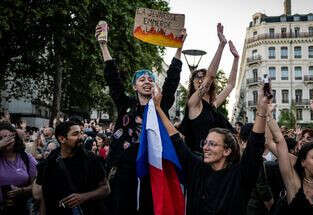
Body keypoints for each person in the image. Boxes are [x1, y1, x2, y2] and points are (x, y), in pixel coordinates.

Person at [95, 22, 186, 215]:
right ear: (135, 87)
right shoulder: (125, 103)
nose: (147, 82)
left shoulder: (161, 106)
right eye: (142, 80)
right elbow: (113, 77)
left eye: (150, 79)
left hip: (151, 168)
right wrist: (103, 45)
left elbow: (171, 80)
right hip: (124, 169)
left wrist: (179, 48)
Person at [152, 83, 269, 215]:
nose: (205, 148)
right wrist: (158, 108)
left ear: (227, 151)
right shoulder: (197, 168)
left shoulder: (239, 175)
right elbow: (176, 140)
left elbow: (255, 146)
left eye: (212, 144)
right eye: (205, 143)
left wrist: (262, 110)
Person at [180, 23, 238, 153]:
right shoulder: (193, 103)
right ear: (193, 84)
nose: (201, 79)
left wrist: (236, 58)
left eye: (203, 76)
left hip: (214, 158)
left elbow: (230, 85)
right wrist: (221, 45)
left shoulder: (213, 104)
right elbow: (210, 76)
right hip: (198, 158)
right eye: (197, 77)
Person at [33, 121, 110, 215]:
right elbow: (43, 196)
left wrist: (83, 197)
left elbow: (106, 189)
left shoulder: (91, 159)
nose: (81, 137)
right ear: (62, 139)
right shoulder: (50, 161)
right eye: (75, 134)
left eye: (81, 133)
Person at [0, 121, 37, 215]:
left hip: (22, 208)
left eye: (7, 137)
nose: (5, 141)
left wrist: (21, 191)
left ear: (15, 138)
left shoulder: (26, 158)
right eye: (0, 138)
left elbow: (38, 185)